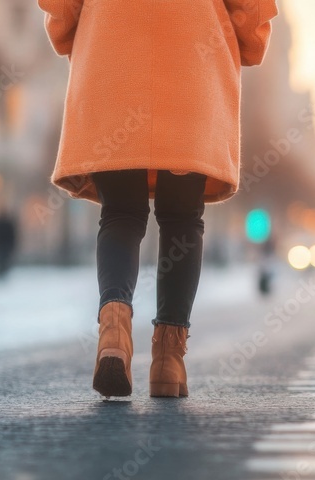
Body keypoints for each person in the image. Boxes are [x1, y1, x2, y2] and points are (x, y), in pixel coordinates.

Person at [38, 0, 277, 398]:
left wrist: (68, 29)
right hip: (191, 65)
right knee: (183, 217)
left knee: (121, 214)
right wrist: (249, 38)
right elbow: (251, 15)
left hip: (113, 58)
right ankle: (169, 360)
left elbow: (61, 11)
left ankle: (114, 332)